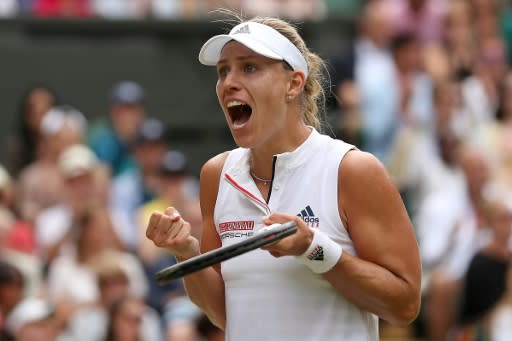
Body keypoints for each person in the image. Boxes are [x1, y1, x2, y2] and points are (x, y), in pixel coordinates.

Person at [146, 14, 421, 340]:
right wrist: (187, 252)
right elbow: (224, 313)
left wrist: (315, 250)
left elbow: (404, 305)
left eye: (249, 67)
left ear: (294, 83)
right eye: (223, 71)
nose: (229, 82)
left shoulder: (351, 170)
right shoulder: (216, 175)